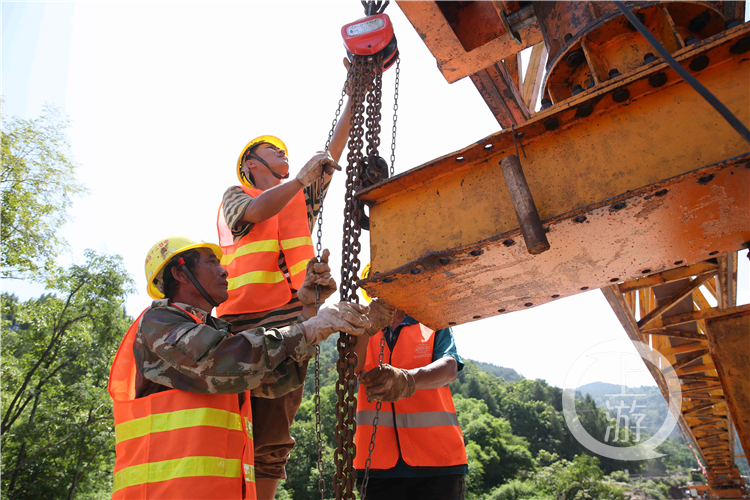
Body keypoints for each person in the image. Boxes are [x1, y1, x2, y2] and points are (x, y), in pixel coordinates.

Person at [108, 236, 370, 500]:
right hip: (163, 492)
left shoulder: (214, 333)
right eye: (211, 262)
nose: (224, 270)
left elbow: (273, 382)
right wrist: (307, 329)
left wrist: (309, 311)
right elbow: (222, 362)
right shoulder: (159, 323)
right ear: (179, 272)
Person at [216, 81, 352, 498]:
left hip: (291, 320)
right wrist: (297, 182)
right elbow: (256, 213)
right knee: (229, 425)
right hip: (237, 328)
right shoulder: (236, 195)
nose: (283, 154)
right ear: (251, 165)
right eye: (271, 150)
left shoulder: (299, 199)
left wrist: (355, 90)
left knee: (274, 432)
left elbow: (333, 152)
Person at [353, 288, 469, 500]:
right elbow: (349, 368)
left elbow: (449, 367)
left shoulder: (432, 322)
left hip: (438, 461)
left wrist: (407, 380)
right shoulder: (361, 327)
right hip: (376, 462)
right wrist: (366, 327)